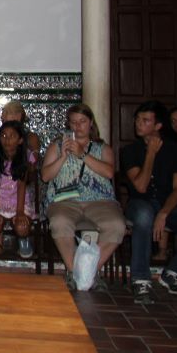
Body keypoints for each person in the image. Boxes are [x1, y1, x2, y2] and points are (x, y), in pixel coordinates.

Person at [120, 101, 177, 303]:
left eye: (145, 120)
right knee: (143, 214)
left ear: (158, 126)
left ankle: (173, 272)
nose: (138, 124)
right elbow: (140, 186)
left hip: (170, 205)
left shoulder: (175, 151)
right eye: (137, 119)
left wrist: (164, 213)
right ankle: (140, 278)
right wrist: (150, 153)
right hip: (140, 203)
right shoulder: (130, 151)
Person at [40, 104, 124, 292]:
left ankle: (88, 272)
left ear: (91, 123)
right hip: (64, 201)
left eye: (82, 122)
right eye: (73, 122)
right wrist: (63, 156)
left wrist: (82, 154)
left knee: (116, 225)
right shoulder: (57, 145)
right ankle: (77, 272)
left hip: (99, 200)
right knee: (60, 222)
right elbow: (45, 176)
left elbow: (109, 172)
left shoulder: (102, 147)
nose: (78, 126)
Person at [0, 120, 36, 259]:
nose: (7, 140)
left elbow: (21, 185)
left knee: (22, 227)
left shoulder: (26, 156)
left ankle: (23, 240)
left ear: (20, 140)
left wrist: (19, 212)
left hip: (19, 200)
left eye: (12, 136)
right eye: (3, 136)